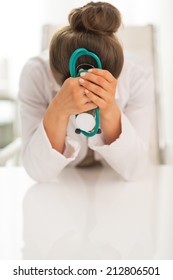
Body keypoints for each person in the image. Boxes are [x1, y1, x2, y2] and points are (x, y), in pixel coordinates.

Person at [19, 1, 154, 182]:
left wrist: (109, 109)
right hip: (62, 184)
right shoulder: (36, 73)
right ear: (54, 73)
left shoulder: (138, 74)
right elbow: (37, 172)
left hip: (113, 182)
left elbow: (136, 168)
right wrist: (58, 109)